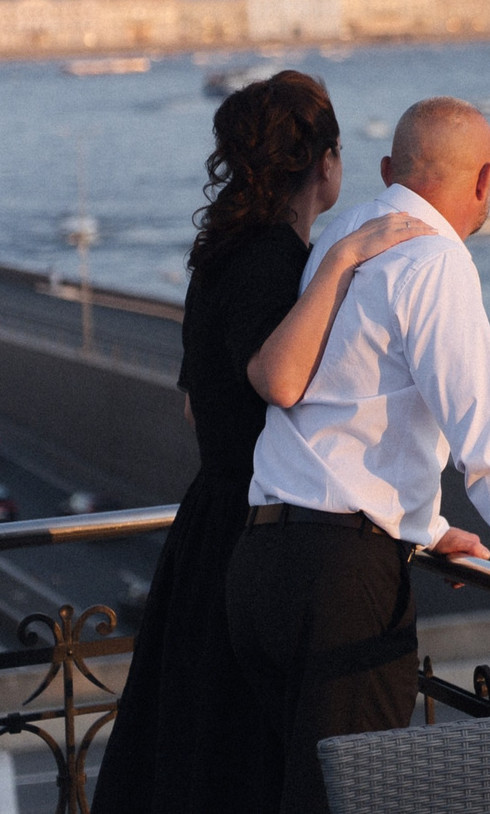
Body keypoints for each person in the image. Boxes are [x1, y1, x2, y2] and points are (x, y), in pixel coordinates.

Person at [225, 97, 490, 814]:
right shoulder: (435, 259)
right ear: (485, 182)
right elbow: (487, 435)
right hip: (340, 582)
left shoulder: (342, 231)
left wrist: (424, 521)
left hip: (260, 561)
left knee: (274, 789)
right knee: (349, 803)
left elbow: (350, 399)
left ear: (388, 170)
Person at [94, 72, 428, 814]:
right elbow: (280, 382)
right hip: (258, 533)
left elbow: (195, 406)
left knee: (198, 755)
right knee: (251, 765)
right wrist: (342, 263)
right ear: (327, 162)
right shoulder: (279, 260)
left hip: (212, 527)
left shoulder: (220, 252)